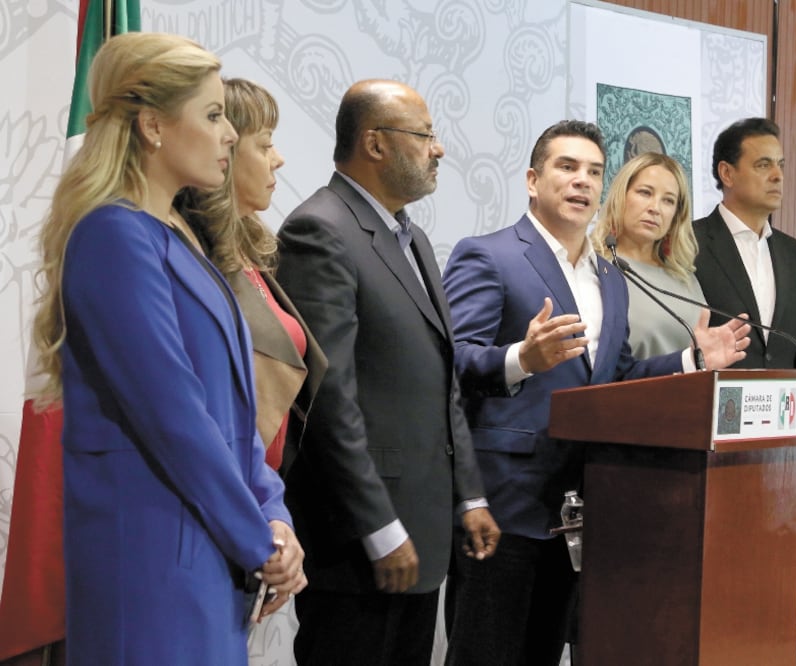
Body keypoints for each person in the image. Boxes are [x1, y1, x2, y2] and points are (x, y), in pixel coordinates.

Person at [30, 33, 306, 665]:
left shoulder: (178, 237)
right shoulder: (113, 237)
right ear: (153, 126)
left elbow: (231, 420)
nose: (230, 135)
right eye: (212, 116)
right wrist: (258, 541)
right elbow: (174, 419)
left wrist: (277, 517)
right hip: (154, 567)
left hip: (205, 558)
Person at [441, 120, 751, 666]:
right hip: (503, 501)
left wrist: (695, 359)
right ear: (533, 180)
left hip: (577, 506)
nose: (581, 181)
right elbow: (453, 363)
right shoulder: (488, 255)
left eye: (593, 172)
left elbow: (616, 376)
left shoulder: (609, 278)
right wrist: (521, 358)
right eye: (566, 167)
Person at [275, 79, 501, 666]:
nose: (439, 149)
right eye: (424, 134)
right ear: (375, 144)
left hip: (422, 532)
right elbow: (329, 398)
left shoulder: (413, 237)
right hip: (360, 544)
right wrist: (379, 528)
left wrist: (468, 495)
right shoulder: (319, 229)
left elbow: (441, 377)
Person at [174, 78, 327, 473]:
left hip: (267, 491)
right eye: (264, 145)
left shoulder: (254, 252)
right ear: (224, 151)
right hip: (222, 487)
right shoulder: (189, 257)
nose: (278, 159)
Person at [692, 117, 796, 509]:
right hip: (709, 445)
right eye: (763, 164)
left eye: (781, 165)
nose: (777, 176)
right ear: (727, 173)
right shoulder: (691, 242)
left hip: (783, 453)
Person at [591, 151, 705, 357]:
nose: (655, 208)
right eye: (645, 193)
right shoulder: (593, 266)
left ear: (676, 216)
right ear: (621, 196)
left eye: (668, 201)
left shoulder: (686, 280)